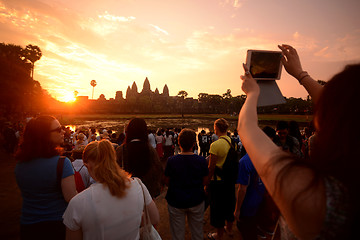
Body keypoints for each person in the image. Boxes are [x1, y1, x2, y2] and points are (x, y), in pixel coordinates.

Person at [237, 44, 358, 239]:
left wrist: (252, 94)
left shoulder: (321, 199)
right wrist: (300, 74)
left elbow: (246, 127)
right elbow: (342, 108)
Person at [63, 140, 160, 239]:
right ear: (113, 159)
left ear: (87, 165)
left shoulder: (78, 203)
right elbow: (154, 218)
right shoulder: (138, 185)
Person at [15, 115, 77, 240]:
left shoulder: (20, 165)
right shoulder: (62, 163)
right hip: (56, 224)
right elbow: (72, 198)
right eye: (58, 130)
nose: (63, 131)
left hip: (28, 225)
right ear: (44, 135)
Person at [165, 128, 209, 240]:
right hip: (196, 199)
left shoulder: (172, 160)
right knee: (197, 233)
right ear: (194, 144)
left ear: (178, 143)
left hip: (176, 200)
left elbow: (167, 181)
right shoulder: (201, 160)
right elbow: (205, 181)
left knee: (177, 234)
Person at [234, 126, 276, 240]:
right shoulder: (270, 157)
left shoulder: (245, 161)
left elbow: (242, 189)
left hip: (249, 206)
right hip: (261, 203)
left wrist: (237, 209)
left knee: (247, 231)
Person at [116, 118, 163, 198]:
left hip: (126, 192)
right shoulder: (150, 149)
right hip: (147, 192)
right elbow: (157, 170)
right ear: (145, 131)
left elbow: (115, 171)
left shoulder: (121, 150)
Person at [206, 118, 235, 240]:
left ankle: (219, 235)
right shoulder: (232, 142)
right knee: (229, 204)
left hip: (217, 181)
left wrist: (206, 183)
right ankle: (229, 229)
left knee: (217, 208)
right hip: (229, 180)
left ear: (216, 128)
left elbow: (211, 168)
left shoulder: (215, 145)